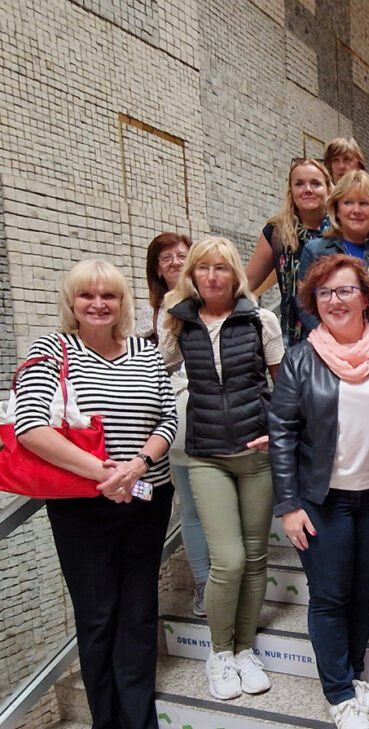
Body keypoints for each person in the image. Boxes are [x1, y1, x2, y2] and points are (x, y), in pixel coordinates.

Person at [15, 260, 177, 729]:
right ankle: (103, 725)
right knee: (98, 612)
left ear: (123, 302)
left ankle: (140, 723)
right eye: (87, 295)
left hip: (148, 498)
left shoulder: (146, 354)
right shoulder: (53, 350)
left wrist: (137, 466)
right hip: (81, 506)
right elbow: (29, 427)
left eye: (109, 295)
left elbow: (168, 417)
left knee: (138, 609)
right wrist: (105, 473)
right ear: (72, 302)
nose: (98, 304)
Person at [269, 254, 369, 729]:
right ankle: (339, 693)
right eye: (324, 293)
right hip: (321, 501)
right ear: (313, 303)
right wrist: (288, 504)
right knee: (329, 596)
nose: (335, 300)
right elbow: (281, 433)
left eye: (345, 290)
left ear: (366, 297)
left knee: (365, 593)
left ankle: (354, 676)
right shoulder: (301, 359)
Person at [161, 236, 284, 703]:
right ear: (192, 275)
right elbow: (149, 373)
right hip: (205, 456)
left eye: (222, 268)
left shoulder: (261, 320)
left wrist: (277, 429)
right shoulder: (178, 323)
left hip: (257, 459)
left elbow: (284, 386)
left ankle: (245, 649)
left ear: (236, 275)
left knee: (255, 559)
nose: (213, 276)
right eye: (203, 268)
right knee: (227, 560)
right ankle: (219, 652)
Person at [137, 233, 209, 618]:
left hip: (212, 416)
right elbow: (163, 359)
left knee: (212, 508)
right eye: (166, 258)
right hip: (180, 418)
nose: (175, 261)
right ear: (156, 269)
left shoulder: (208, 296)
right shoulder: (164, 305)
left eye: (183, 254)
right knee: (193, 510)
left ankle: (224, 585)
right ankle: (204, 584)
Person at [299, 171, 369, 339]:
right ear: (336, 210)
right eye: (348, 203)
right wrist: (337, 343)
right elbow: (304, 305)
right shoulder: (315, 251)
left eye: (364, 203)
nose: (356, 210)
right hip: (327, 355)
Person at [244, 158, 332, 349]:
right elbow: (249, 280)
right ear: (291, 191)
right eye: (299, 184)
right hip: (293, 337)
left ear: (328, 189)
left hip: (338, 330)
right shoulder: (277, 231)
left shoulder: (342, 230)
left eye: (316, 183)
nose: (307, 189)